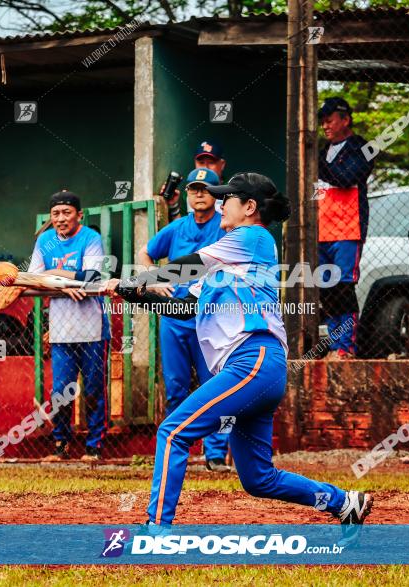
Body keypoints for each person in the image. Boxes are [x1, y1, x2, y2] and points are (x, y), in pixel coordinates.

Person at [105, 172, 372, 531]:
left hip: (253, 360)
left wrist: (130, 281)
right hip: (257, 369)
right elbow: (183, 308)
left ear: (249, 207)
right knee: (258, 479)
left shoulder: (252, 237)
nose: (219, 204)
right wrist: (135, 295)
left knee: (173, 431)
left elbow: (185, 268)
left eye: (226, 198)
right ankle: (344, 503)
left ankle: (156, 529)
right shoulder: (230, 261)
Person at [137, 168, 231, 472]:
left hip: (211, 317)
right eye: (193, 189)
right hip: (175, 316)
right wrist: (153, 280)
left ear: (217, 196)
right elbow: (145, 252)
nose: (199, 194)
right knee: (176, 386)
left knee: (214, 385)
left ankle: (215, 454)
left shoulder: (226, 227)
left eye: (205, 189)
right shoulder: (178, 227)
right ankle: (177, 450)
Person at [27, 190, 110, 461]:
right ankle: (61, 446)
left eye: (66, 213)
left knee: (94, 388)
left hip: (92, 326)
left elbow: (91, 275)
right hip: (61, 327)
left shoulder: (91, 237)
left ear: (79, 215)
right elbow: (33, 279)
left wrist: (56, 275)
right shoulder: (45, 241)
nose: (61, 218)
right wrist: (67, 284)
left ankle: (94, 447)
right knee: (61, 389)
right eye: (56, 214)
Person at [317, 97, 374, 360]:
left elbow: (346, 178)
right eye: (322, 121)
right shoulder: (321, 149)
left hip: (347, 228)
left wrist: (315, 164)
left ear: (345, 120)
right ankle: (333, 344)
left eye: (329, 120)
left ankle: (346, 347)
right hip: (321, 228)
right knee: (326, 289)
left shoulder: (361, 148)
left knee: (343, 287)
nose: (325, 126)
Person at [164, 141, 227, 221]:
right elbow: (183, 228)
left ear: (222, 164)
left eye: (211, 163)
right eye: (201, 163)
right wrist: (173, 206)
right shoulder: (188, 192)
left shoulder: (233, 190)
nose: (205, 167)